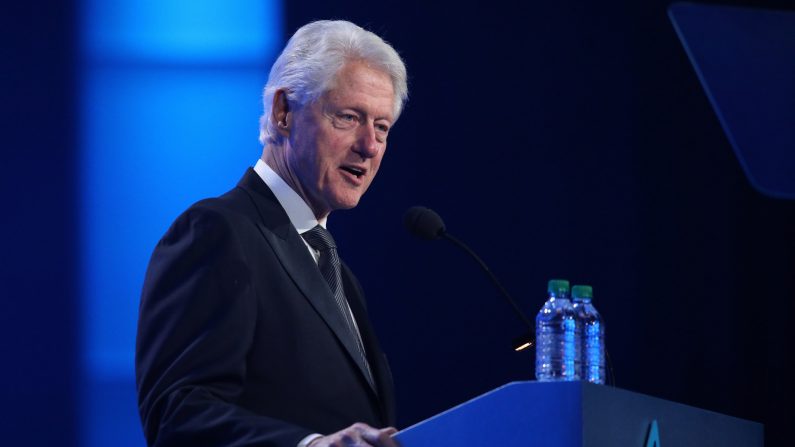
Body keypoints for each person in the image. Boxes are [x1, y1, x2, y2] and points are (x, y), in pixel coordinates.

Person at [135, 20, 408, 447]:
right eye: (349, 117)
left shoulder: (337, 273)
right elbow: (177, 413)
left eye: (382, 127)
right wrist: (313, 446)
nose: (369, 146)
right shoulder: (216, 232)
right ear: (284, 112)